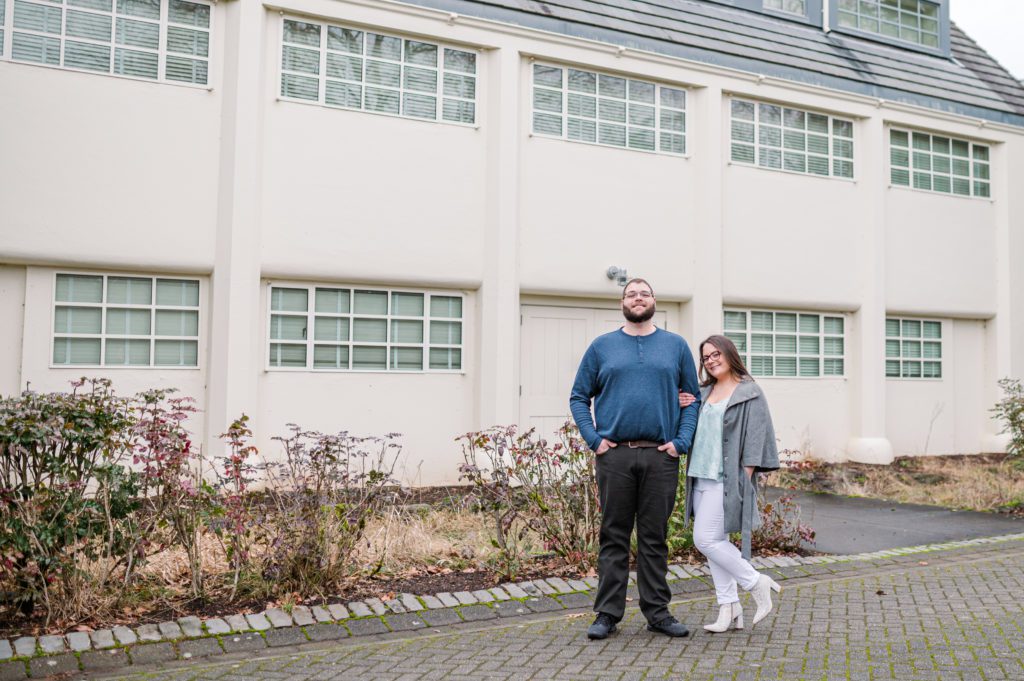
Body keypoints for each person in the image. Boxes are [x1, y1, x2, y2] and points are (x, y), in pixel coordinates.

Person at [569, 278, 701, 640]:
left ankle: (657, 613)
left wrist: (681, 442)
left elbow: (692, 398)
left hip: (661, 457)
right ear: (622, 302)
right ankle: (607, 615)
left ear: (654, 300)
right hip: (615, 457)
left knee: (654, 538)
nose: (638, 298)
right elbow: (579, 398)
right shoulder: (602, 347)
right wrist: (595, 440)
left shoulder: (675, 346)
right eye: (631, 294)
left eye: (644, 293)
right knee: (613, 536)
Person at [678, 334, 781, 633]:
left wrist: (742, 479)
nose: (710, 360)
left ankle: (756, 582)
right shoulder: (703, 392)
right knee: (715, 544)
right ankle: (729, 609)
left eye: (715, 354)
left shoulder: (750, 392)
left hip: (726, 479)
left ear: (729, 353)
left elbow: (756, 439)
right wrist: (683, 402)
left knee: (705, 540)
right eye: (705, 357)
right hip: (700, 475)